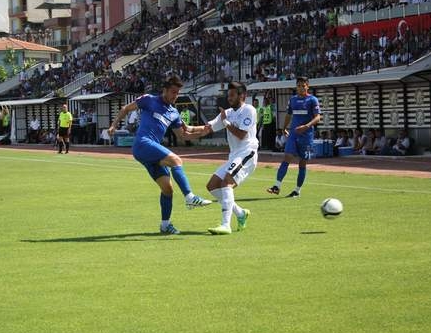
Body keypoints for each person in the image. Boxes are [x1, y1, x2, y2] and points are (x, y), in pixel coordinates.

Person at [108, 75, 212, 235]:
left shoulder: (174, 112)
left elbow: (184, 135)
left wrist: (203, 131)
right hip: (142, 143)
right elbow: (126, 109)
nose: (175, 96)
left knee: (168, 189)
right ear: (164, 90)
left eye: (177, 93)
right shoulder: (149, 100)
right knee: (176, 160)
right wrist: (114, 126)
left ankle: (165, 225)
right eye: (172, 92)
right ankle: (190, 197)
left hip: (152, 151)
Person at [202, 81, 258, 235]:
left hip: (247, 153)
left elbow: (241, 134)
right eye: (228, 95)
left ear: (243, 96)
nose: (229, 98)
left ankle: (226, 225)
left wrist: (226, 122)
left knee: (226, 182)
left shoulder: (249, 110)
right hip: (234, 155)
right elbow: (208, 127)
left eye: (233, 95)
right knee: (212, 186)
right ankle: (241, 213)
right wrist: (188, 129)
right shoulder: (228, 113)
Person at [267, 76, 321, 198]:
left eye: (303, 85)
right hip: (293, 134)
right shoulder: (293, 100)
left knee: (302, 164)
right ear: (296, 87)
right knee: (286, 158)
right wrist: (284, 127)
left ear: (307, 86)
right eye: (299, 85)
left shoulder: (313, 100)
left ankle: (297, 190)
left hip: (306, 136)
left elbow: (317, 117)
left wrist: (306, 126)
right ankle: (277, 186)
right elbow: (289, 115)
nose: (301, 88)